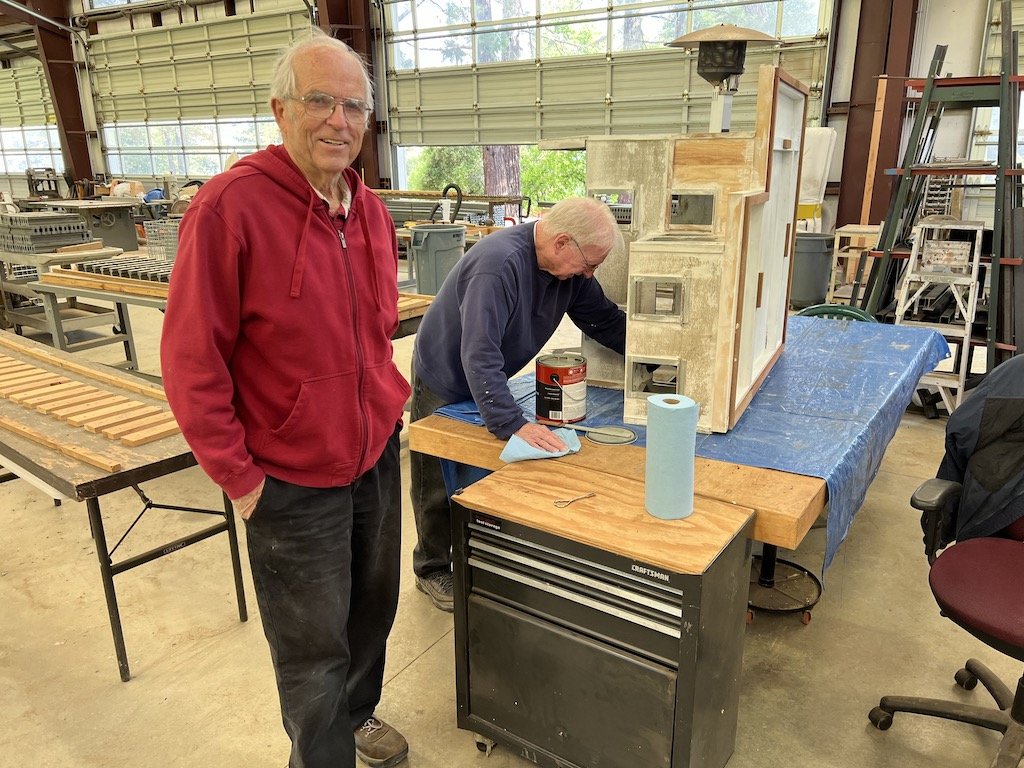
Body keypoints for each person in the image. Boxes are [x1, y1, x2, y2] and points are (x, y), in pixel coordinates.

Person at [160, 30, 411, 768]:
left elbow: (376, 330)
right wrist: (242, 480)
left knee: (371, 619)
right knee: (311, 654)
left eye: (355, 106)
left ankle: (356, 721)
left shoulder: (367, 210)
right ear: (280, 109)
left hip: (372, 459)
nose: (339, 120)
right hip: (290, 482)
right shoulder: (230, 207)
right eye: (320, 101)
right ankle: (321, 758)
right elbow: (190, 360)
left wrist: (383, 416)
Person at [409, 197, 626, 611]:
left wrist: (655, 358)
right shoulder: (498, 265)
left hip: (486, 373)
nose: (590, 274)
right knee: (435, 475)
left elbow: (604, 319)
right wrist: (511, 423)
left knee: (480, 473)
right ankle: (431, 566)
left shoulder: (569, 274)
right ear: (563, 242)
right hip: (445, 374)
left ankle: (483, 556)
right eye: (590, 264)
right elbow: (478, 353)